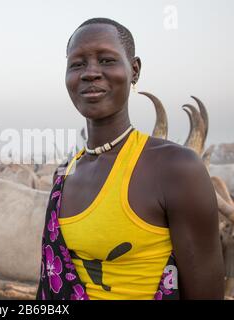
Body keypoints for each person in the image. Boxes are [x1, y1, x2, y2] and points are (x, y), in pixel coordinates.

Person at [37, 17, 224, 300]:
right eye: (77, 64)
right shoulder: (64, 174)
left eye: (106, 60)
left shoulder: (176, 168)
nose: (90, 73)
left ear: (134, 70)